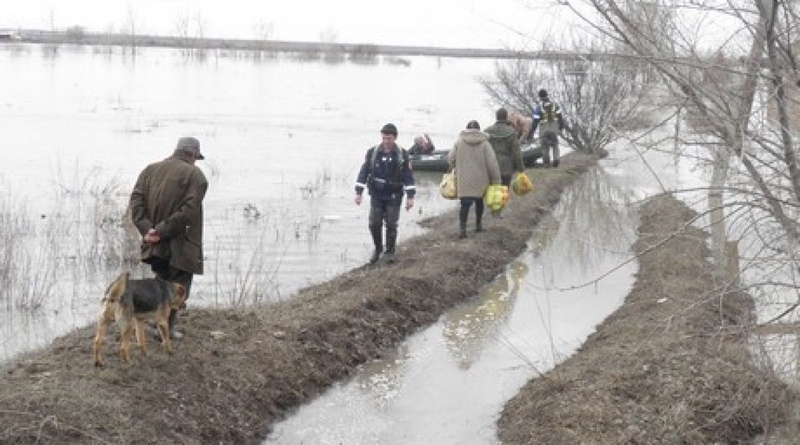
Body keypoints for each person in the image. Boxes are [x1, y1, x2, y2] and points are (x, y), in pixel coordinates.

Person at [128, 136, 208, 339]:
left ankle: (155, 324)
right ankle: (165, 330)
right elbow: (188, 211)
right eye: (195, 157)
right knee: (179, 287)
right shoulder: (196, 175)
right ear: (191, 154)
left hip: (154, 242)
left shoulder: (150, 170)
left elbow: (136, 202)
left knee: (161, 281)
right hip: (181, 243)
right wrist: (161, 231)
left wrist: (148, 231)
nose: (195, 161)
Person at [355, 123, 416, 264]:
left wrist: (410, 197)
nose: (386, 141)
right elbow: (364, 172)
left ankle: (389, 252)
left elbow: (408, 176)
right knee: (374, 224)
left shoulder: (403, 154)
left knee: (391, 224)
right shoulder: (372, 152)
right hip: (377, 194)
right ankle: (377, 249)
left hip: (394, 195)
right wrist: (359, 192)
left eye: (389, 138)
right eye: (384, 138)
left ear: (395, 138)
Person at [447, 120, 501, 238]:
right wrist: (496, 180)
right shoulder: (485, 144)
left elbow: (450, 158)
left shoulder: (459, 142)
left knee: (465, 205)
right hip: (481, 180)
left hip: (464, 180)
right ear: (479, 130)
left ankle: (462, 230)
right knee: (479, 202)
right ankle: (478, 225)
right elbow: (492, 163)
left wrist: (455, 167)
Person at [484, 107, 525, 217]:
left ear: (496, 117)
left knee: (492, 187)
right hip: (506, 165)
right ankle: (498, 211)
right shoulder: (511, 132)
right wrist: (521, 168)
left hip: (491, 164)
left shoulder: (487, 131)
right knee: (504, 188)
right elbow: (517, 152)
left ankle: (493, 209)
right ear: (506, 117)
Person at [529, 89, 565, 168]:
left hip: (544, 128)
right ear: (547, 95)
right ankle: (556, 158)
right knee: (555, 144)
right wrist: (561, 126)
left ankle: (546, 163)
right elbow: (560, 116)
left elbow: (535, 121)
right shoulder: (555, 104)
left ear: (540, 97)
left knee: (544, 146)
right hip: (554, 127)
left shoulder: (538, 107)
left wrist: (531, 132)